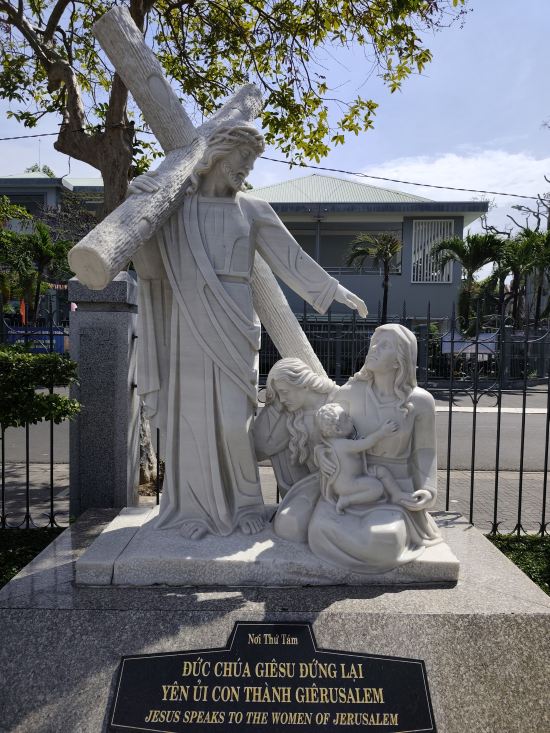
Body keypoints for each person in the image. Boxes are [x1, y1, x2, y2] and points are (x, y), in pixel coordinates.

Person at [131, 124, 367, 538]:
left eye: (252, 162)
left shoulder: (253, 210)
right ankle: (193, 512)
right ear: (218, 153)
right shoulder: (178, 209)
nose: (247, 168)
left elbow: (291, 259)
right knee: (193, 418)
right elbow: (151, 270)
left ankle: (244, 507)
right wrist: (139, 202)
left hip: (236, 319)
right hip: (189, 317)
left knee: (233, 420)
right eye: (243, 157)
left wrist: (335, 290)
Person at [308, 323, 442, 571]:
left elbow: (425, 451)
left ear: (400, 359)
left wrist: (427, 488)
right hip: (350, 483)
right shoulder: (349, 392)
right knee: (316, 529)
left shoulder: (420, 402)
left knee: (384, 541)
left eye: (385, 345)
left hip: (395, 491)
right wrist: (321, 454)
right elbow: (325, 433)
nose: (374, 349)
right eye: (374, 343)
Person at [313, 403, 402, 514]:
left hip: (351, 479)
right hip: (348, 485)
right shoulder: (342, 445)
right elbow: (365, 443)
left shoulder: (331, 441)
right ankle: (347, 500)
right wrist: (382, 432)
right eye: (346, 418)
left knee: (381, 471)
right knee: (376, 488)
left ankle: (397, 494)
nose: (350, 418)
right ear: (337, 429)